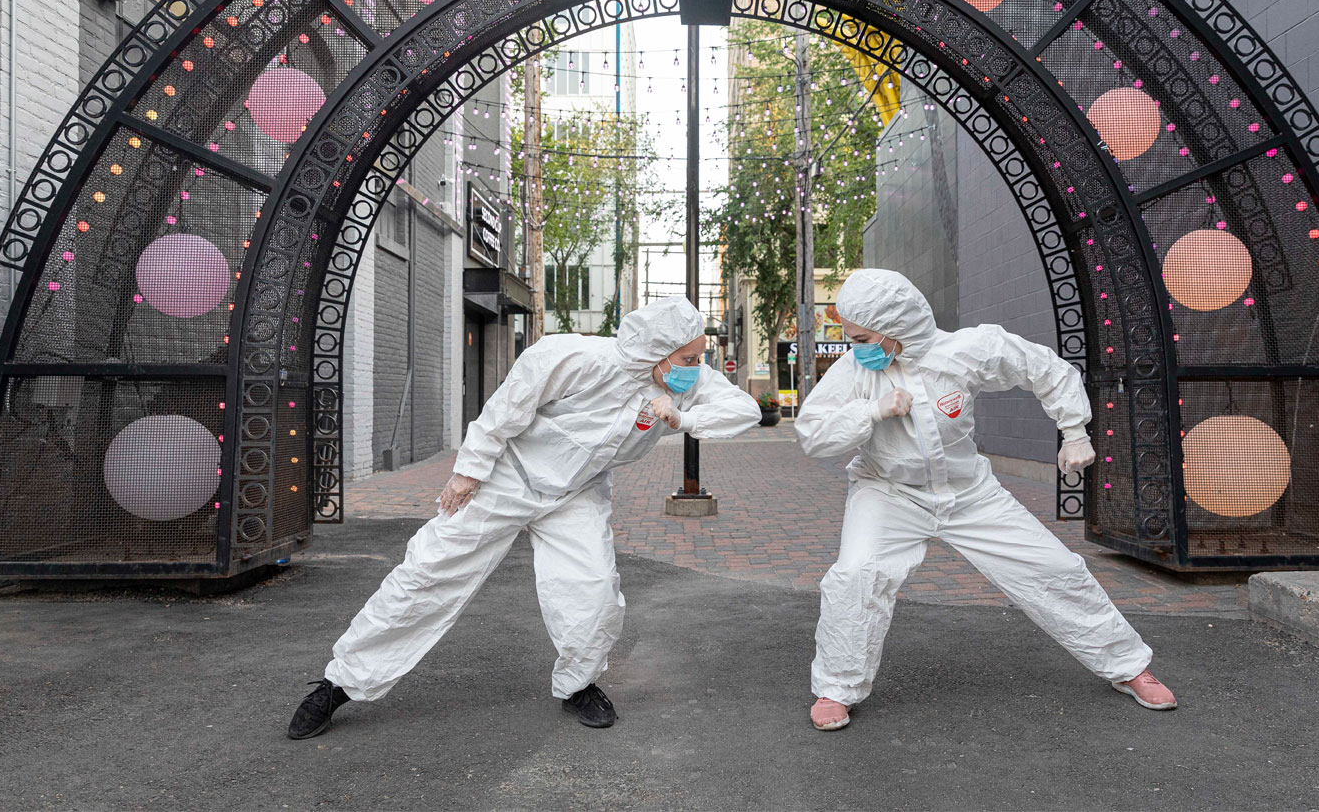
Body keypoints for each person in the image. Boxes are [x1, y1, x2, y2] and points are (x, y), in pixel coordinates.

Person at [288, 297, 760, 739]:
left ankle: (578, 685)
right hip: (507, 478)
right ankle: (340, 684)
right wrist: (468, 471)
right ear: (654, 352)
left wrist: (683, 419)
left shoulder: (686, 381)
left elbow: (745, 410)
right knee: (428, 572)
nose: (696, 369)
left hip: (577, 493)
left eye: (700, 358)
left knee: (592, 592)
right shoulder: (575, 358)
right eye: (687, 359)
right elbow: (506, 408)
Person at [795, 269, 1176, 732]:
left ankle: (1128, 665)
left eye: (864, 337)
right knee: (856, 575)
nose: (858, 347)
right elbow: (813, 434)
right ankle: (836, 687)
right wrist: (872, 410)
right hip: (887, 492)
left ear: (896, 326)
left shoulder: (967, 351)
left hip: (970, 494)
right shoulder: (854, 370)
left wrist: (1074, 430)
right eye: (851, 338)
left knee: (1053, 568)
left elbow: (1044, 368)